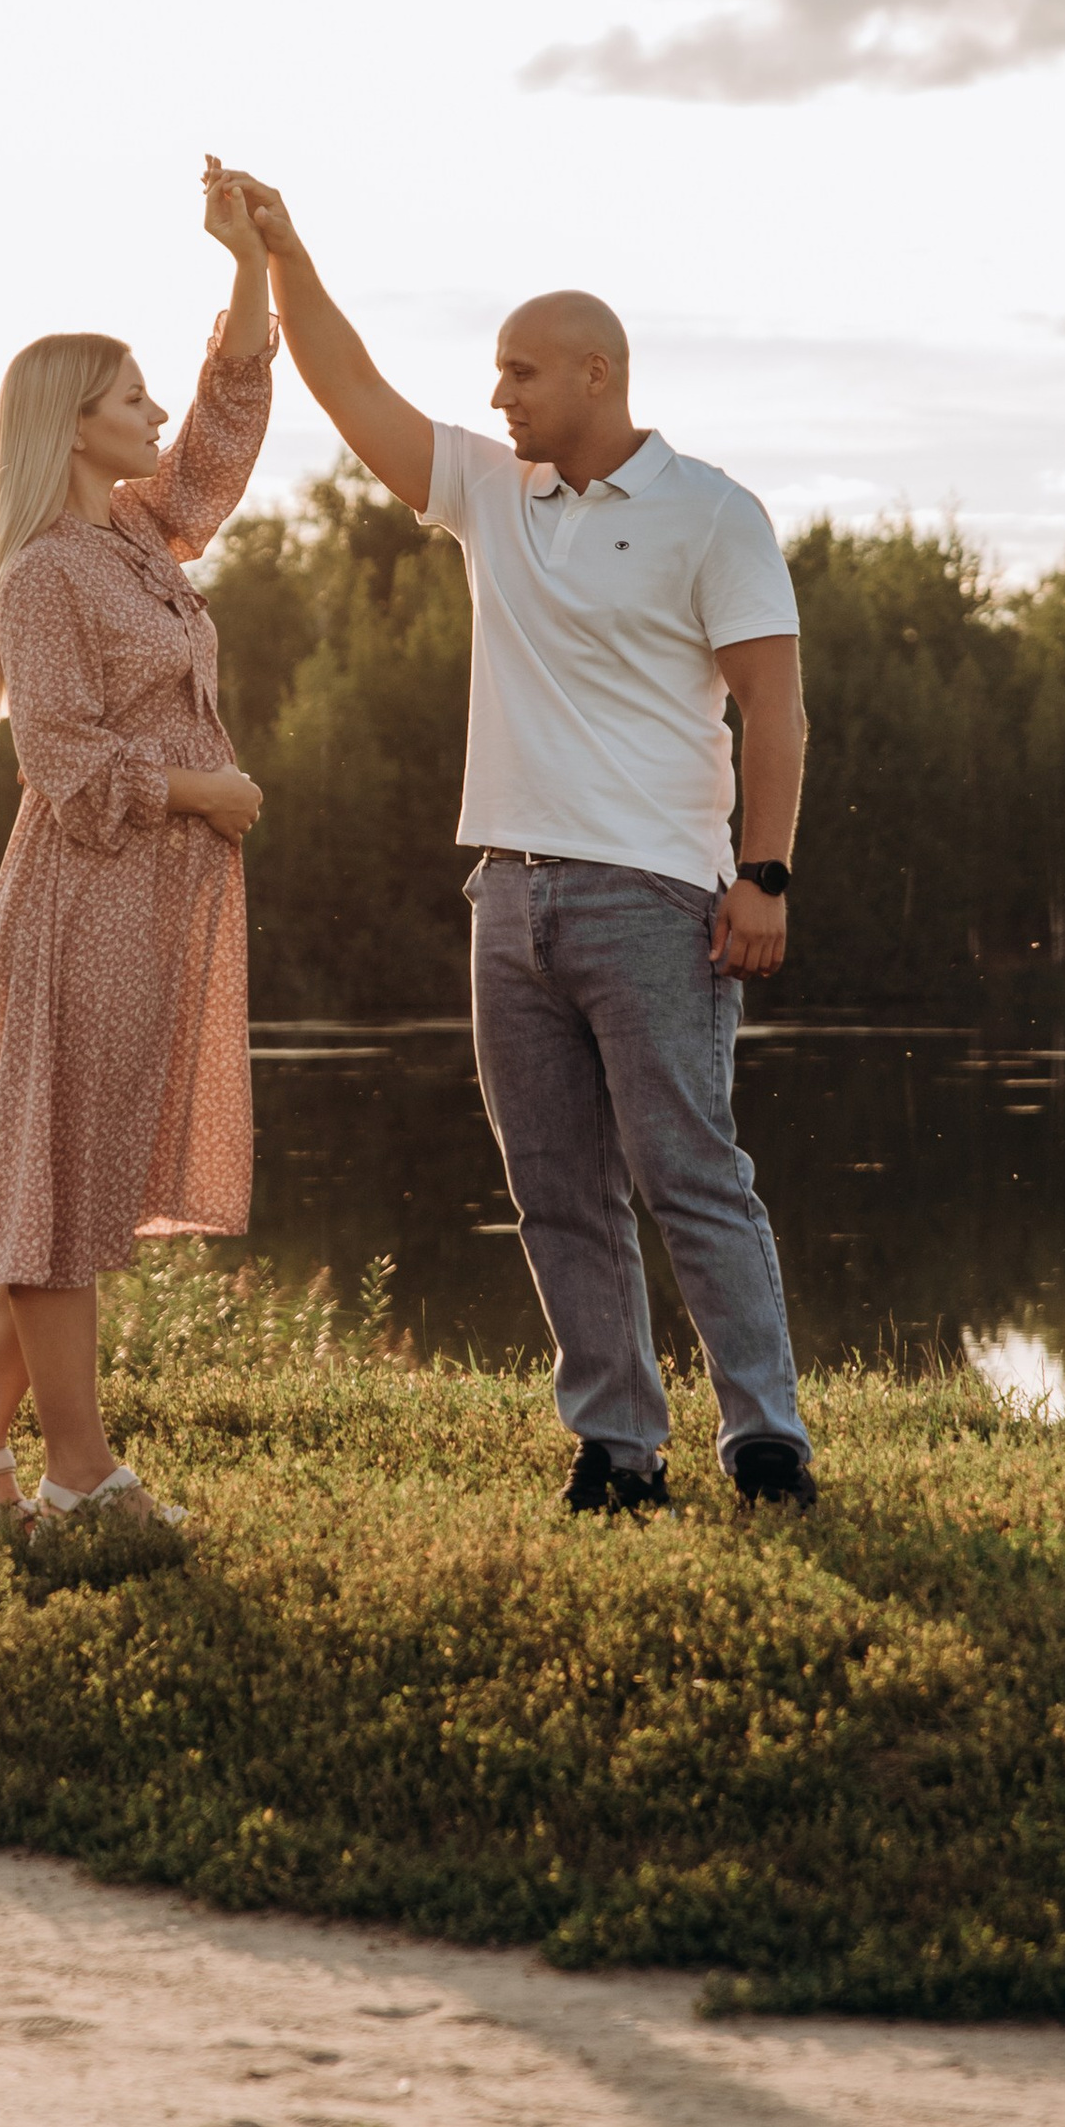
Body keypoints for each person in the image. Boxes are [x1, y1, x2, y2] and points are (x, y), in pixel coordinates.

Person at [219, 172, 816, 1514]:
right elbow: (351, 387)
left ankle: (763, 1433)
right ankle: (617, 1448)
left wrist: (763, 872)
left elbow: (775, 703)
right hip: (508, 898)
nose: (499, 398)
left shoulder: (714, 514)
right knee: (555, 1189)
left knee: (690, 1175)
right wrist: (285, 257)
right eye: (496, 376)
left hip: (659, 900)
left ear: (599, 375)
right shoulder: (493, 496)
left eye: (523, 373)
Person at [0, 164, 274, 1533]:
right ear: (73, 420)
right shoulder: (51, 573)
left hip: (148, 903)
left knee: (84, 1183)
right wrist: (203, 794)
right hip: (84, 896)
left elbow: (225, 431)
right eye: (130, 398)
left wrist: (249, 265)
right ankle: (78, 1477)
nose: (157, 415)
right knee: (59, 1183)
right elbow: (58, 761)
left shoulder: (135, 535)